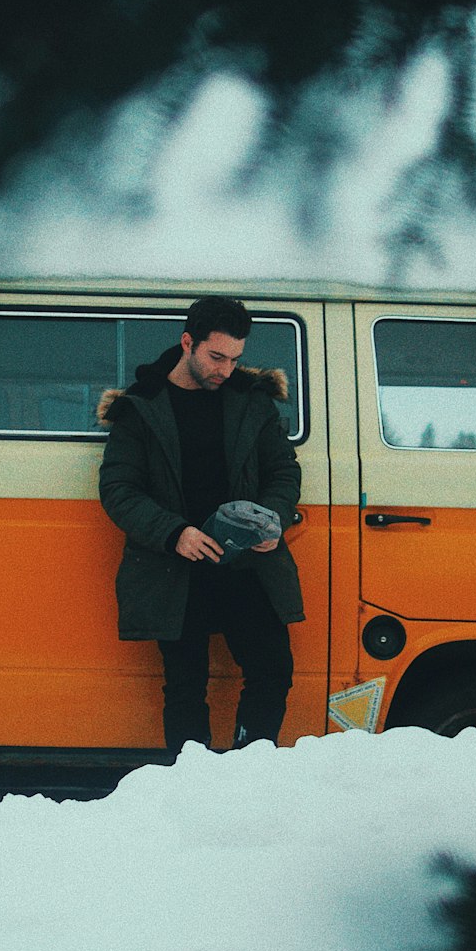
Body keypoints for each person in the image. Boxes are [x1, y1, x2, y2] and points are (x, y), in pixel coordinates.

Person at [97, 295, 304, 754]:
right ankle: (192, 791)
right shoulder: (140, 408)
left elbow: (284, 471)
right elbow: (118, 490)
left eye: (235, 359)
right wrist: (175, 533)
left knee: (273, 671)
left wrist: (272, 521)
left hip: (246, 562)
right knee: (186, 687)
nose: (226, 370)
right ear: (187, 342)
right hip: (176, 568)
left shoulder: (252, 402)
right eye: (216, 357)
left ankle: (251, 776)